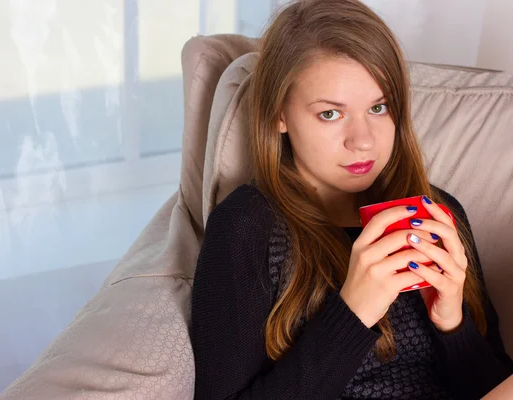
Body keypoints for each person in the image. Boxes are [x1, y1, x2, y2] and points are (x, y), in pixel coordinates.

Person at [189, 0, 513, 399]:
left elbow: (495, 385)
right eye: (330, 114)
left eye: (379, 107)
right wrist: (354, 313)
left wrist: (452, 322)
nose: (362, 140)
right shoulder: (246, 227)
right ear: (279, 114)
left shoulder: (435, 213)